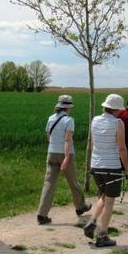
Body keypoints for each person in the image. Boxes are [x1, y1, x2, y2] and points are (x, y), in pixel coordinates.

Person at [83, 94, 128, 247]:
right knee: (110, 202)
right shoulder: (118, 123)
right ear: (117, 109)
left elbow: (92, 143)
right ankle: (103, 235)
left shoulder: (95, 120)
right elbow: (121, 148)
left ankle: (92, 222)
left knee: (104, 196)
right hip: (111, 166)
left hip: (96, 165)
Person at [36, 95, 91, 225]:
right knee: (73, 182)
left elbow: (49, 137)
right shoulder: (69, 120)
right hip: (66, 153)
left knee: (48, 183)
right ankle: (80, 206)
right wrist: (66, 157)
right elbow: (67, 139)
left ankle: (42, 214)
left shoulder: (50, 118)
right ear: (68, 107)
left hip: (51, 152)